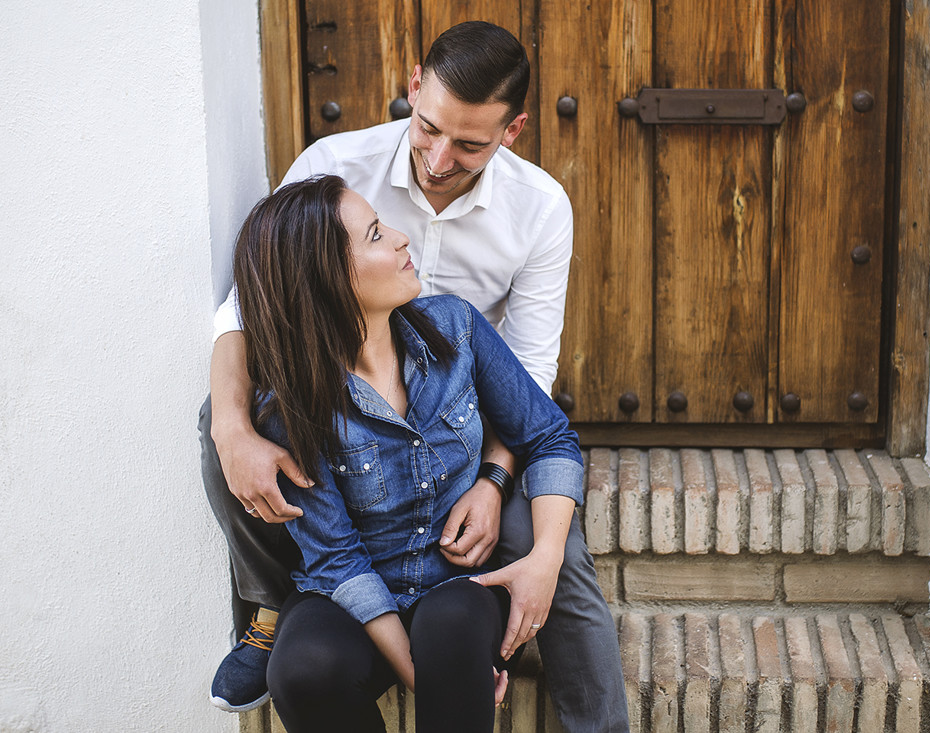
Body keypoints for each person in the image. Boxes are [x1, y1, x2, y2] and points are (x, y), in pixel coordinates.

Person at [201, 20, 629, 732]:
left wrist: (494, 482)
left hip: (469, 412)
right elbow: (251, 304)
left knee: (561, 558)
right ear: (413, 89)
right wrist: (230, 425)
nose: (437, 159)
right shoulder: (336, 169)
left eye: (469, 145)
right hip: (336, 393)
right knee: (222, 425)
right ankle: (272, 605)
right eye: (428, 128)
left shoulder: (537, 211)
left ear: (513, 131)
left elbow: (533, 391)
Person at [231, 173, 586, 730]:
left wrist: (545, 560)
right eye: (375, 234)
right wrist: (416, 672)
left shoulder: (456, 328)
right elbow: (336, 558)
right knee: (301, 671)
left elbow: (549, 438)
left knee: (451, 629)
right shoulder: (290, 406)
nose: (401, 238)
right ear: (326, 277)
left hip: (458, 588)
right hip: (353, 592)